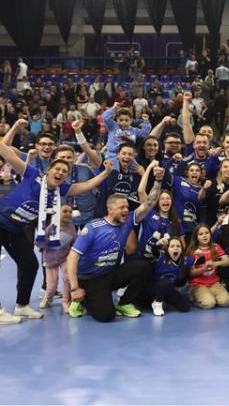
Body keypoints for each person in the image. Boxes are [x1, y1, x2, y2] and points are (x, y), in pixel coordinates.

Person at [0, 126, 113, 323]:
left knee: (29, 265)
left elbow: (87, 185)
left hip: (16, 229)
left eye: (64, 171)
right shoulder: (32, 174)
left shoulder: (62, 189)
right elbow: (7, 154)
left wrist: (107, 172)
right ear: (49, 170)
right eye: (57, 169)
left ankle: (22, 306)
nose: (60, 172)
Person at [66, 163, 165, 322]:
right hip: (90, 279)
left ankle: (124, 303)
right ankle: (81, 299)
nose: (126, 210)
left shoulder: (127, 221)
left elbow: (149, 204)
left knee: (144, 266)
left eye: (127, 207)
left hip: (110, 274)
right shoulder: (93, 228)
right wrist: (74, 288)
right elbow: (72, 257)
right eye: (121, 207)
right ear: (110, 209)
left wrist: (158, 181)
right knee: (106, 316)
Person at [37, 203, 77, 312]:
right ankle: (48, 297)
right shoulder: (50, 227)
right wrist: (43, 241)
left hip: (65, 258)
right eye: (65, 211)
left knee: (67, 279)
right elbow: (40, 244)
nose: (68, 214)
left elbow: (75, 243)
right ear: (58, 212)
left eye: (70, 212)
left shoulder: (72, 228)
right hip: (50, 259)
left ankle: (66, 301)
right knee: (52, 286)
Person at [186, 224, 229, 311]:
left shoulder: (215, 247)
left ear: (210, 234)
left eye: (207, 233)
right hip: (198, 284)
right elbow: (191, 273)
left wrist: (214, 263)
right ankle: (193, 295)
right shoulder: (193, 250)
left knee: (226, 302)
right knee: (209, 304)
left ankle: (211, 294)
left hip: (214, 282)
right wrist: (203, 269)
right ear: (196, 237)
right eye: (201, 234)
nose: (204, 236)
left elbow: (227, 261)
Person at [151, 236, 195, 316]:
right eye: (172, 246)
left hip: (169, 289)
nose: (175, 248)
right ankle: (157, 303)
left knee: (185, 307)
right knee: (166, 282)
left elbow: (199, 260)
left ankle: (164, 299)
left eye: (178, 246)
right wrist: (158, 243)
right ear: (167, 249)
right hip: (155, 288)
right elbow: (154, 249)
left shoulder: (184, 259)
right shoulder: (162, 257)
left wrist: (199, 254)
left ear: (181, 249)